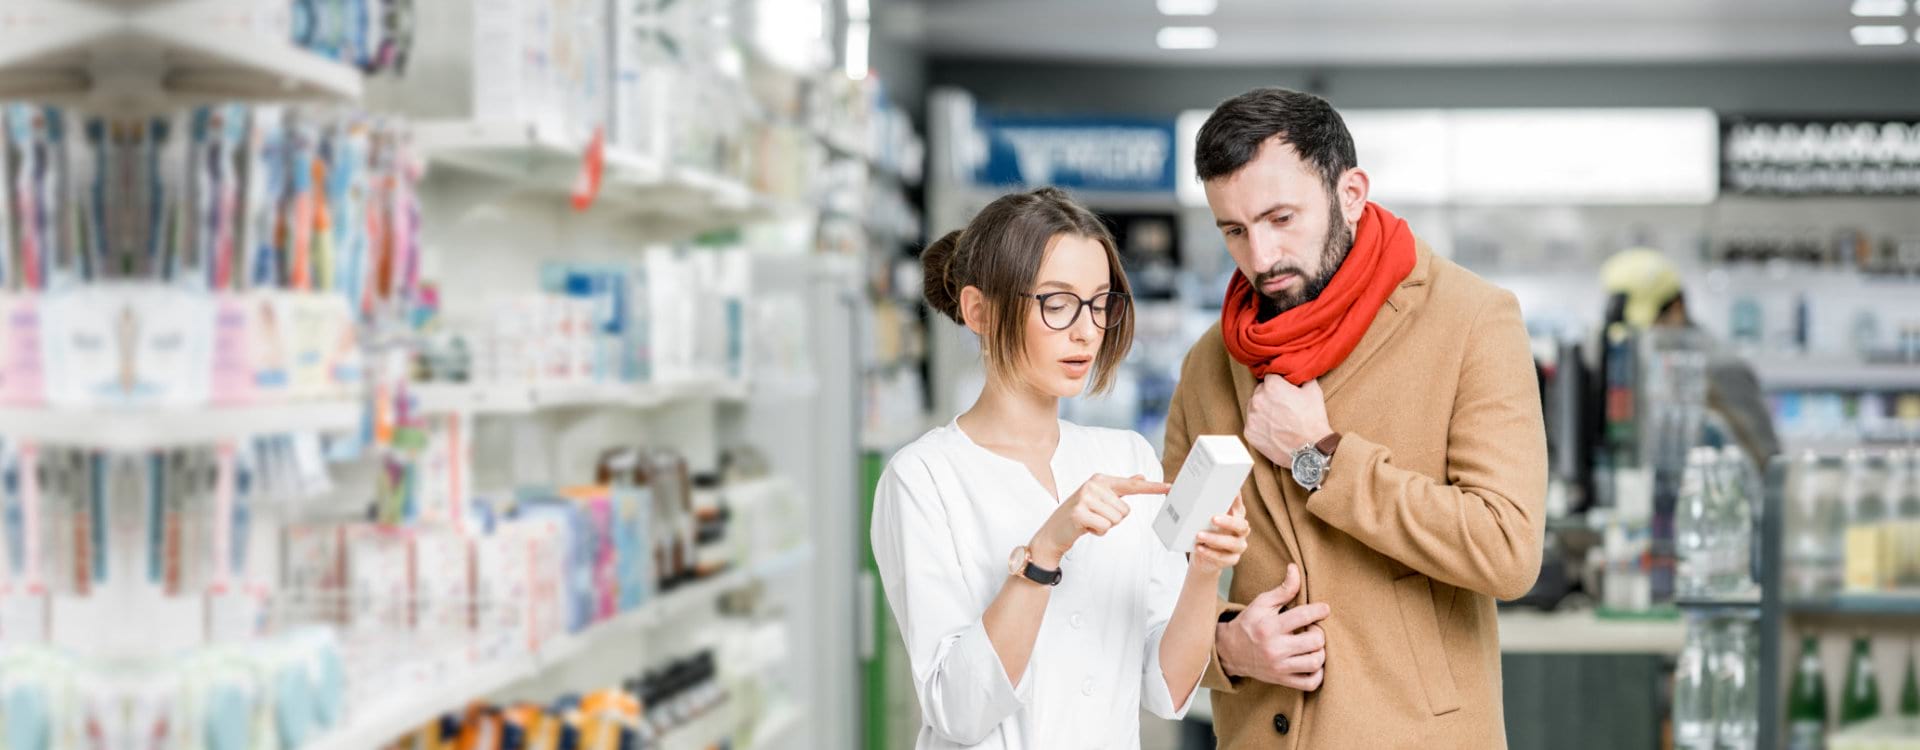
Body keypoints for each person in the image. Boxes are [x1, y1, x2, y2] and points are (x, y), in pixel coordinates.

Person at [1164, 88, 1548, 748]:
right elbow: (1159, 570)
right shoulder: (1209, 362)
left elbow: (1507, 550)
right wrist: (1228, 645)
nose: (1260, 257)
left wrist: (1321, 455)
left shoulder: (1471, 320)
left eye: (1281, 218)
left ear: (1351, 193)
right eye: (1234, 230)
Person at [871, 187, 1253, 750]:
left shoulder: (1126, 458)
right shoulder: (923, 476)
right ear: (979, 311)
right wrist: (1044, 552)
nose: (1086, 330)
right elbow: (957, 711)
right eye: (1056, 302)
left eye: (1100, 302)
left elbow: (1165, 689)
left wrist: (1204, 571)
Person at [1599, 247, 1781, 468]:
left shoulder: (1722, 367)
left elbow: (1768, 462)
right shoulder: (1644, 371)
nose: (1642, 343)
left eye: (1649, 326)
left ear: (1676, 309)